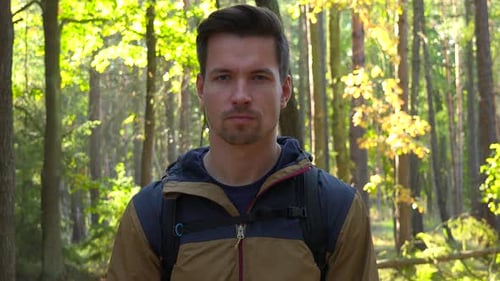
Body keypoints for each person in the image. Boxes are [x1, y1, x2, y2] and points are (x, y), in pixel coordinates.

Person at [107, 4, 379, 281]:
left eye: (258, 77)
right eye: (223, 77)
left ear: (284, 91)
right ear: (202, 89)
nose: (240, 96)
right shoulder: (151, 216)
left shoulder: (336, 210)